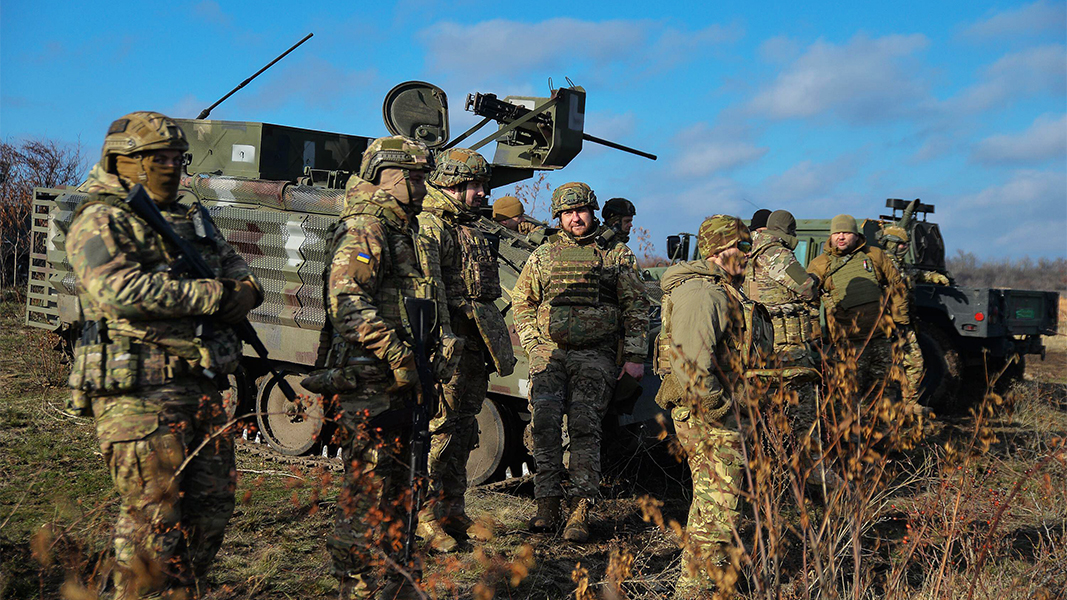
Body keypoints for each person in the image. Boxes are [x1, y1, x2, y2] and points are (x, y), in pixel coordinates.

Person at [66, 111, 262, 598]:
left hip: (201, 385)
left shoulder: (189, 217)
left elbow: (237, 268)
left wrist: (246, 292)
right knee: (154, 521)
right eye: (157, 158)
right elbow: (117, 290)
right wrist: (215, 296)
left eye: (177, 157)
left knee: (211, 511)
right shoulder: (101, 217)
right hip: (138, 395)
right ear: (122, 161)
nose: (170, 167)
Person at [316, 135, 433, 599]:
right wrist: (400, 356)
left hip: (397, 383)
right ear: (392, 176)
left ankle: (394, 583)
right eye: (418, 177)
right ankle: (357, 588)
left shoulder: (399, 228)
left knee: (400, 490)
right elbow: (348, 305)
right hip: (371, 383)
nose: (424, 186)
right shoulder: (367, 227)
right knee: (366, 492)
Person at [512, 182, 649, 543]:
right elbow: (522, 301)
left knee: (586, 429)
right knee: (544, 424)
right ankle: (546, 505)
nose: (575, 218)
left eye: (582, 210)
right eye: (568, 212)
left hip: (595, 354)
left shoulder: (615, 255)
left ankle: (579, 511)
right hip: (549, 353)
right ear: (558, 216)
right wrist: (532, 342)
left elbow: (636, 305)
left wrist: (635, 357)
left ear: (592, 211)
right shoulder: (543, 255)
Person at [652, 215, 770, 598]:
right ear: (722, 251)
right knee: (721, 515)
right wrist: (721, 410)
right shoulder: (705, 293)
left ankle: (704, 587)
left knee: (713, 511)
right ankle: (697, 591)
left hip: (718, 411)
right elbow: (691, 364)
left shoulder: (722, 289)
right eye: (744, 247)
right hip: (710, 415)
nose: (750, 254)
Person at [415, 148, 516, 552]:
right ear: (451, 184)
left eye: (481, 185)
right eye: (474, 185)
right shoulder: (431, 226)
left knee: (464, 429)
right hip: (449, 345)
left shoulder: (469, 226)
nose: (480, 193)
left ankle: (453, 509)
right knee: (438, 431)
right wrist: (439, 346)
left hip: (475, 343)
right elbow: (430, 289)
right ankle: (424, 516)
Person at [807, 214, 914, 410]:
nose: (841, 237)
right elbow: (809, 302)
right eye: (837, 233)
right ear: (830, 236)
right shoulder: (820, 264)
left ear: (856, 235)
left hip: (880, 338)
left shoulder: (874, 255)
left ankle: (881, 437)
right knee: (847, 399)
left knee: (885, 396)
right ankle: (849, 439)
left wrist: (901, 321)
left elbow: (897, 285)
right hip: (847, 343)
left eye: (846, 233)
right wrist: (815, 335)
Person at [877, 225, 939, 405]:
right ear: (892, 244)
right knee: (885, 368)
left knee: (915, 363)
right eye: (902, 244)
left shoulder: (899, 265)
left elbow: (912, 273)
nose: (906, 248)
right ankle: (883, 407)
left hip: (902, 323)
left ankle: (908, 404)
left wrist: (932, 276)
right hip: (887, 325)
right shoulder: (881, 264)